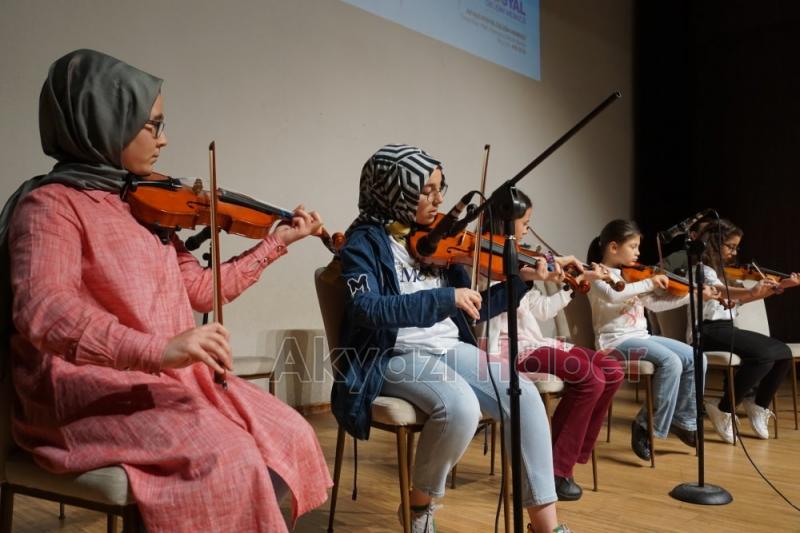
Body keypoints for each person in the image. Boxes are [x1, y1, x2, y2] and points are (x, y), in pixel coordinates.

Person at [1, 49, 331, 532]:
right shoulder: (50, 206)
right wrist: (160, 348)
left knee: (291, 433)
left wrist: (274, 244)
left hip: (165, 380)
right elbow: (43, 311)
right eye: (151, 125)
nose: (164, 139)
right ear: (103, 121)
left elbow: (198, 290)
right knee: (229, 457)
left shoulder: (142, 203)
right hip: (80, 394)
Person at [332, 144, 572, 533]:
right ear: (395, 190)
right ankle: (419, 507)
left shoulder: (441, 240)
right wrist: (442, 297)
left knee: (522, 394)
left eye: (440, 188)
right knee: (459, 406)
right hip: (392, 353)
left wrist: (522, 282)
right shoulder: (365, 243)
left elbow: (475, 307)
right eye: (427, 190)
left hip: (447, 346)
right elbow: (368, 309)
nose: (439, 199)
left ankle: (546, 526)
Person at [486, 191, 623, 501]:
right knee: (591, 378)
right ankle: (555, 469)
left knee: (612, 370)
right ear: (504, 223)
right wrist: (530, 271)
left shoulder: (518, 260)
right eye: (523, 224)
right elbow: (488, 304)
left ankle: (568, 454)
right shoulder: (481, 262)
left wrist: (574, 286)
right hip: (507, 351)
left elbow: (542, 310)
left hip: (534, 342)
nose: (525, 231)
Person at [586, 219, 713, 461]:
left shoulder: (632, 276)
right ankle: (646, 425)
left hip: (640, 337)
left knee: (697, 358)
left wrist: (693, 296)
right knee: (671, 362)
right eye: (633, 246)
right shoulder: (596, 274)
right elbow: (613, 296)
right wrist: (649, 282)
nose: (638, 252)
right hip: (614, 344)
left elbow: (654, 304)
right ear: (613, 247)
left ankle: (683, 420)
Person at [698, 219, 800, 442]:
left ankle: (758, 404)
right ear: (714, 243)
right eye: (730, 246)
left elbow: (742, 299)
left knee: (782, 352)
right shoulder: (702, 270)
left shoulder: (725, 271)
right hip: (706, 332)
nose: (734, 252)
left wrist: (781, 286)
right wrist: (751, 292)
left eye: (736, 247)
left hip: (725, 328)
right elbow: (720, 290)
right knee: (762, 355)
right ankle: (723, 408)